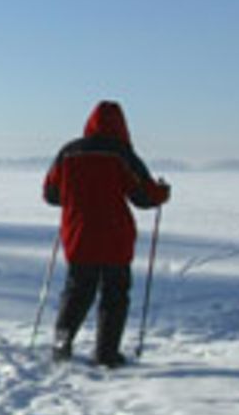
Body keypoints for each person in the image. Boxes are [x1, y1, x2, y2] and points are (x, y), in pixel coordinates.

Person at [43, 100, 171, 367]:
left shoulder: (68, 153)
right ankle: (106, 354)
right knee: (114, 295)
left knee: (77, 293)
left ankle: (60, 347)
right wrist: (163, 192)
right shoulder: (121, 153)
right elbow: (144, 196)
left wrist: (74, 198)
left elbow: (51, 194)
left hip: (79, 236)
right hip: (115, 238)